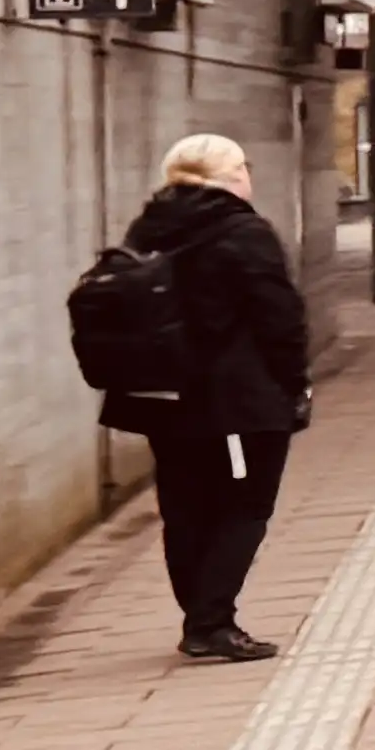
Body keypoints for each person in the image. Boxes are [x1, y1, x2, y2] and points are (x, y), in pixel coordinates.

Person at [110, 136, 309, 664]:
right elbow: (279, 316)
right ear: (225, 177)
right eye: (242, 166)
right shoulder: (243, 231)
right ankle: (210, 622)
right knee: (245, 505)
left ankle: (201, 616)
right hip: (236, 402)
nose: (249, 175)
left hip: (164, 398)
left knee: (185, 509)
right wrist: (295, 385)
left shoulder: (147, 229)